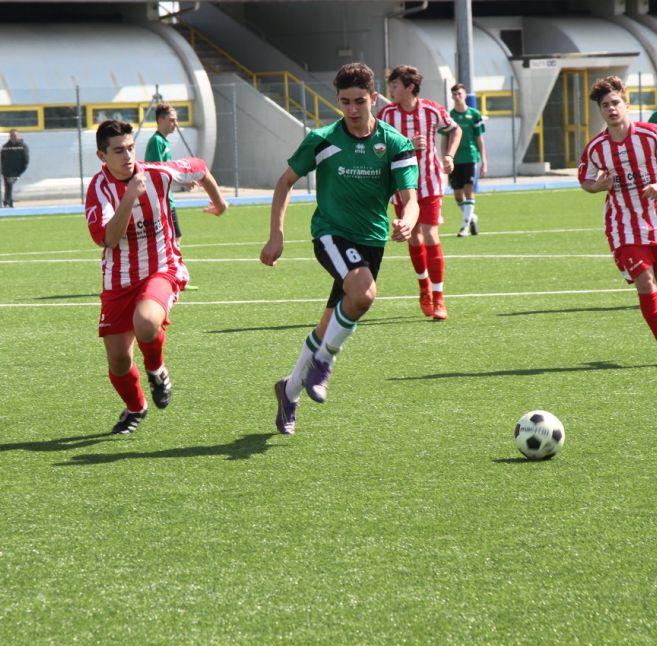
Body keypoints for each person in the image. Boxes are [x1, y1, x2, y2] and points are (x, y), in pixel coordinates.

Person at [260, 62, 419, 436]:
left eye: (359, 101)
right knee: (364, 295)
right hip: (331, 235)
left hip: (372, 242)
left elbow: (410, 198)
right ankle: (325, 364)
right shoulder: (323, 139)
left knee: (329, 323)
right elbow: (285, 183)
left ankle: (289, 391)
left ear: (374, 99)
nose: (351, 109)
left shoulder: (395, 143)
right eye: (344, 102)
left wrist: (408, 220)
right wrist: (276, 234)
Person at [85, 120, 228, 434]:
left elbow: (199, 168)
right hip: (119, 280)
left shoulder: (157, 173)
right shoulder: (98, 189)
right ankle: (136, 408)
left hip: (162, 268)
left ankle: (156, 369)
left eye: (131, 148)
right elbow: (108, 238)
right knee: (118, 360)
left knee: (146, 322)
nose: (127, 156)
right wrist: (129, 198)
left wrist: (219, 202)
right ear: (102, 156)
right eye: (118, 150)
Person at [378, 65, 461, 320]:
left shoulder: (432, 109)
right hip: (402, 187)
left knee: (431, 234)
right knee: (414, 237)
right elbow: (378, 147)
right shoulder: (386, 114)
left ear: (409, 87)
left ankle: (438, 297)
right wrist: (406, 144)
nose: (390, 90)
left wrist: (449, 156)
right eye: (390, 85)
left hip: (431, 182)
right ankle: (423, 286)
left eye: (394, 85)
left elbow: (455, 129)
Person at [579, 75, 657, 343]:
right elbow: (586, 180)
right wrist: (597, 186)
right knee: (646, 282)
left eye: (615, 103)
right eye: (605, 106)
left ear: (626, 104)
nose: (611, 109)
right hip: (623, 225)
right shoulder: (596, 148)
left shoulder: (650, 135)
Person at [441, 83, 487, 237]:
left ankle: (464, 227)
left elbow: (480, 139)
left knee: (469, 190)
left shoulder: (474, 114)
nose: (457, 96)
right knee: (458, 195)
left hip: (470, 157)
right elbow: (444, 140)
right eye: (454, 94)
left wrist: (484, 161)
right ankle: (471, 216)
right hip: (455, 159)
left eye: (459, 93)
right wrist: (445, 158)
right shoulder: (449, 116)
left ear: (465, 94)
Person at [144, 103, 184, 244]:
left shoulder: (163, 141)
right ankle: (173, 265)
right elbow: (158, 173)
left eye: (176, 120)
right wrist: (183, 180)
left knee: (172, 237)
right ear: (161, 121)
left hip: (165, 198)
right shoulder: (156, 141)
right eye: (172, 120)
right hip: (161, 200)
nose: (175, 123)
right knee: (174, 238)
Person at [1, 129, 29, 207]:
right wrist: (3, 170)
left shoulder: (23, 146)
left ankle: (7, 201)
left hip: (17, 171)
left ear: (18, 136)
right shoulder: (5, 147)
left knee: (9, 185)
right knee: (8, 186)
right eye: (11, 136)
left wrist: (19, 172)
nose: (13, 137)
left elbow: (26, 160)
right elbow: (2, 159)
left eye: (15, 135)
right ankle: (9, 204)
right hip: (6, 171)